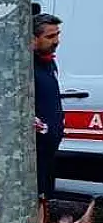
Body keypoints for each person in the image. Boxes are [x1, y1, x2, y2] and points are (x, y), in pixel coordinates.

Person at [32, 13, 64, 197]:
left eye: (57, 34)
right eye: (50, 36)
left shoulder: (49, 62)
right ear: (33, 39)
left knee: (46, 196)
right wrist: (43, 128)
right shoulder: (24, 67)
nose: (56, 41)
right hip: (34, 152)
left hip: (49, 149)